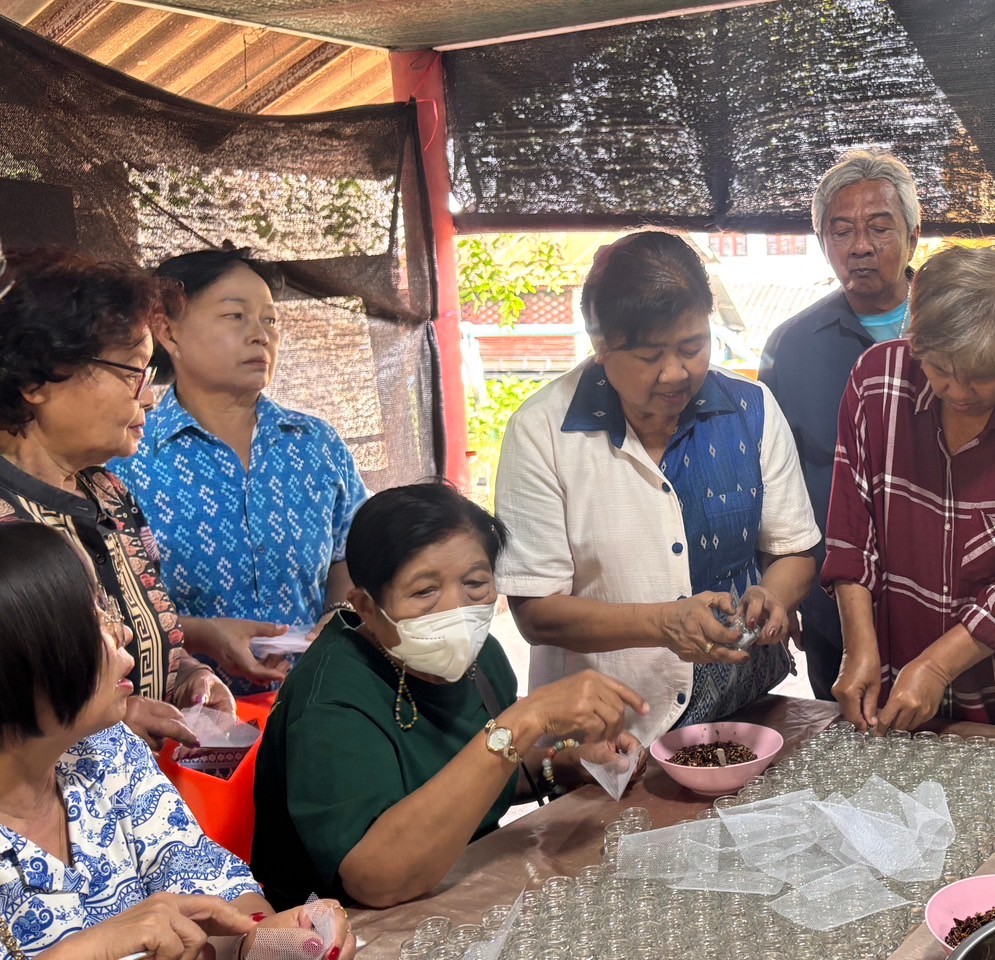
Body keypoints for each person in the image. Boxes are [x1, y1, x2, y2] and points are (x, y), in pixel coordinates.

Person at [252, 483, 648, 909]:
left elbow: (479, 776)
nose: (456, 611)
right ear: (365, 605)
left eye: (475, 583)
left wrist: (565, 764)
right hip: (348, 926)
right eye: (425, 591)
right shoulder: (328, 704)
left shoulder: (482, 659)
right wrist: (526, 720)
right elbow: (377, 879)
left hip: (465, 886)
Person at [495, 230, 820, 746]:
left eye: (693, 347)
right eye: (650, 356)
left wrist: (773, 595)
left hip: (744, 713)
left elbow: (794, 549)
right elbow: (537, 612)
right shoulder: (543, 432)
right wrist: (663, 623)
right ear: (601, 344)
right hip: (611, 733)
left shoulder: (751, 409)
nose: (675, 373)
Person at [0, 523, 356, 959]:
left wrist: (262, 940)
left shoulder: (107, 752)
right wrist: (94, 947)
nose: (122, 632)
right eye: (92, 618)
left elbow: (203, 880)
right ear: (17, 662)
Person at [0, 247, 286, 749]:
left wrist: (189, 677)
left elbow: (154, 636)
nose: (150, 397)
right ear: (35, 380)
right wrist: (107, 720)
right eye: (133, 373)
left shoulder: (109, 494)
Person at [825, 244, 995, 736]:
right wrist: (858, 647)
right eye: (938, 369)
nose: (955, 391)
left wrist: (936, 667)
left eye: (981, 377)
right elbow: (851, 532)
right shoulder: (875, 380)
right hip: (899, 662)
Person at [110, 247, 369, 696]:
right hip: (187, 711)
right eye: (235, 316)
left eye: (270, 320)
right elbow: (105, 603)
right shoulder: (127, 455)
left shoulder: (316, 444)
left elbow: (353, 550)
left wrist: (339, 613)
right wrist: (200, 634)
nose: (261, 335)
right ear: (167, 331)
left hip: (317, 700)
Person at [760, 149, 922, 699]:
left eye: (880, 227)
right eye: (841, 231)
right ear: (823, 242)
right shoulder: (791, 347)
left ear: (913, 236)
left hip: (946, 593)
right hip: (832, 599)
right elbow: (773, 478)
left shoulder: (957, 326)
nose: (860, 246)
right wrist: (782, 587)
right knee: (845, 730)